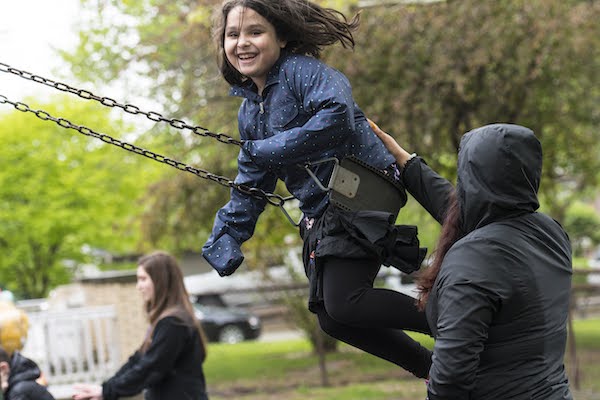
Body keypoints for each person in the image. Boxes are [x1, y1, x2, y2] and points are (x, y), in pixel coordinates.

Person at [202, 0, 432, 378]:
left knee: (347, 302)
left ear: (282, 36)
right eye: (232, 34)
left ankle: (456, 320)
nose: (242, 42)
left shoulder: (302, 72)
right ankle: (436, 369)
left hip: (362, 190)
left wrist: (267, 149)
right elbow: (250, 182)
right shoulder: (249, 112)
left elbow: (337, 114)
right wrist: (225, 237)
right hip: (324, 212)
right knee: (333, 318)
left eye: (254, 32)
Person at [371, 121, 574, 399]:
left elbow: (450, 379)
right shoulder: (550, 234)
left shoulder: (473, 258)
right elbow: (470, 209)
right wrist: (408, 163)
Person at [72, 251, 209, 400]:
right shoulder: (168, 320)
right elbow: (139, 359)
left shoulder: (173, 323)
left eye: (143, 279)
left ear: (160, 281)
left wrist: (107, 391)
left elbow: (151, 368)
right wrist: (106, 388)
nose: (139, 286)